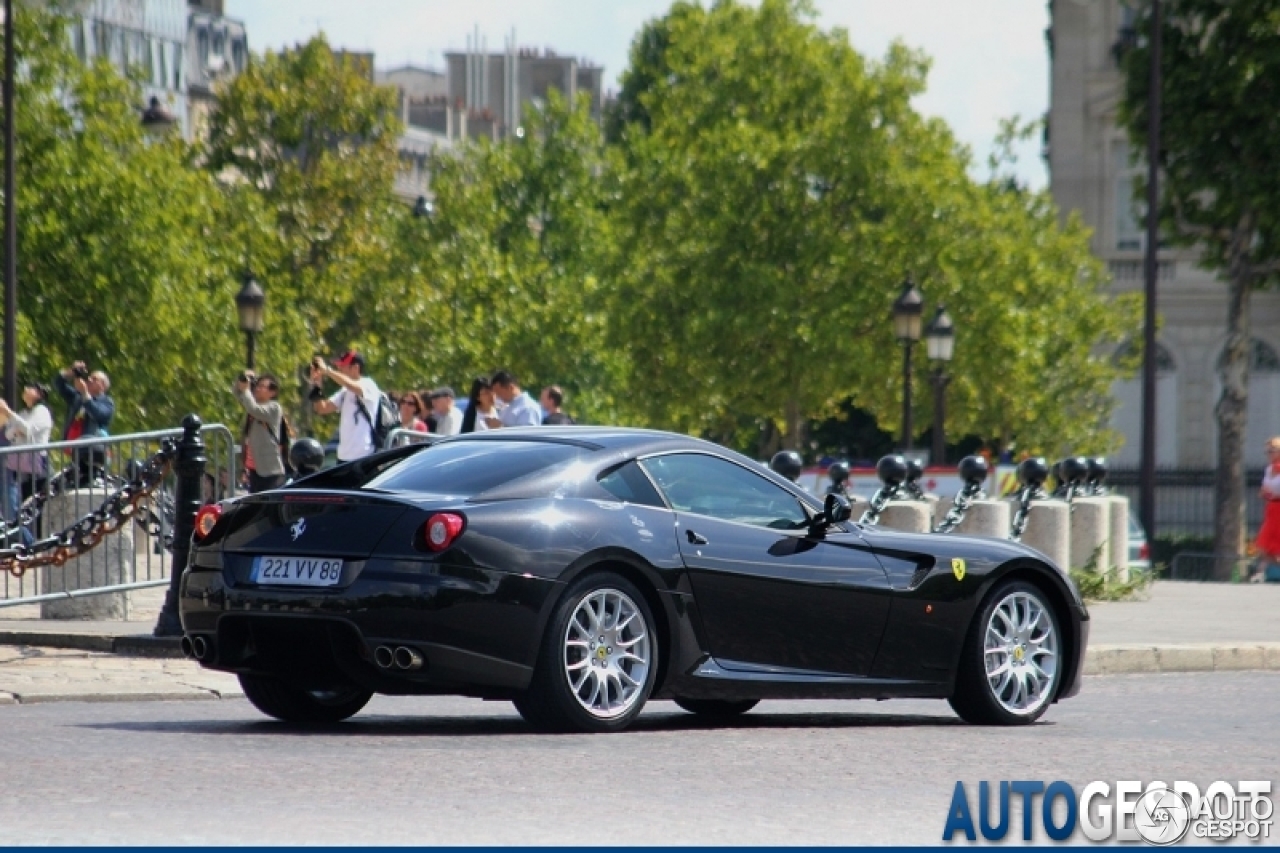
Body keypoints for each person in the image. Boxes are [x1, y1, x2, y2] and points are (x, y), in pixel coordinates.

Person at [309, 349, 382, 463]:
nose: (340, 369)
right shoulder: (345, 391)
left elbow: (350, 384)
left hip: (363, 455)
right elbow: (322, 408)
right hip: (343, 457)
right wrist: (317, 384)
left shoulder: (368, 384)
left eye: (343, 366)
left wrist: (327, 370)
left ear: (356, 368)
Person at [0, 382, 53, 534]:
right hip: (19, 466)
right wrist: (19, 428)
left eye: (30, 388)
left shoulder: (42, 411)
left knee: (34, 505)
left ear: (39, 394)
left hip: (37, 467)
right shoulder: (24, 413)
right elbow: (9, 433)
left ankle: (33, 540)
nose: (25, 390)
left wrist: (9, 413)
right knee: (22, 506)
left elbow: (28, 430)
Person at [54, 362, 115, 485]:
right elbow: (59, 384)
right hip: (76, 451)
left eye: (94, 379)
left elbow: (100, 415)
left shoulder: (107, 402)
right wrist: (71, 372)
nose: (89, 380)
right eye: (89, 377)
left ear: (102, 386)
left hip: (94, 455)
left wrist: (86, 394)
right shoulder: (77, 397)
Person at [233, 371, 287, 493]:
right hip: (254, 468)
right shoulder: (251, 402)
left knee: (269, 506)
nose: (257, 388)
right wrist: (242, 380)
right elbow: (238, 394)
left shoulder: (274, 407)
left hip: (269, 470)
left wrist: (247, 390)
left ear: (272, 392)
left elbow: (254, 409)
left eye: (262, 386)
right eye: (257, 385)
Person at [1255, 437, 1280, 581]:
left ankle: (1259, 572)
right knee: (1265, 548)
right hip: (1271, 508)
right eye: (1267, 452)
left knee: (1270, 547)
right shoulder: (1269, 469)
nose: (1269, 454)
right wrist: (1264, 493)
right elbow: (1265, 488)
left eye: (1272, 451)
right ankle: (1260, 572)